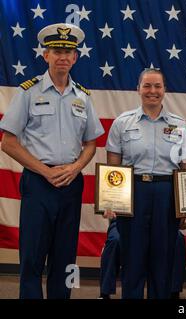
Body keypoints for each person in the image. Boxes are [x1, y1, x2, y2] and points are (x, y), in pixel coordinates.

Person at [0, 23, 104, 299]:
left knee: (65, 258)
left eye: (68, 52)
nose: (63, 57)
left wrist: (75, 168)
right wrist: (45, 171)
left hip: (71, 185)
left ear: (76, 58)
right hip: (38, 184)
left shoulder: (83, 96)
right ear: (45, 55)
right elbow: (8, 142)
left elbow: (91, 143)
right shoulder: (28, 92)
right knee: (32, 258)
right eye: (57, 51)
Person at [103, 68, 186, 299]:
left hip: (167, 194)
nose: (152, 91)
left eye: (157, 86)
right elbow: (114, 168)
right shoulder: (122, 123)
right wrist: (110, 201)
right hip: (133, 193)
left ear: (164, 90)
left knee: (162, 262)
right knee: (132, 261)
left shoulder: (180, 126)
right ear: (138, 89)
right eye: (147, 86)